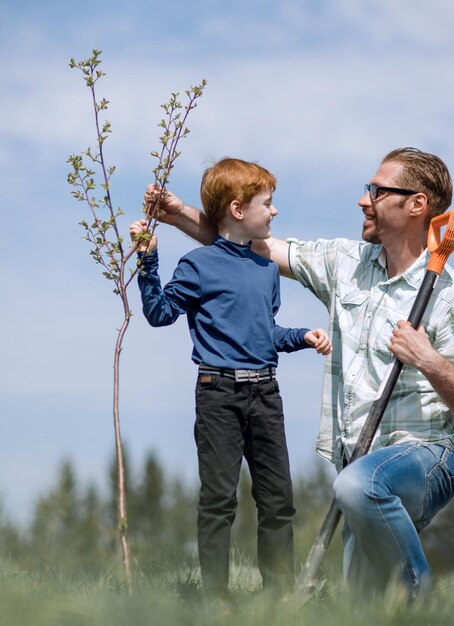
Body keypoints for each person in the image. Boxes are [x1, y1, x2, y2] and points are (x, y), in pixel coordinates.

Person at [148, 147, 454, 600]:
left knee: (358, 484)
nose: (362, 200)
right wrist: (180, 216)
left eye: (376, 190)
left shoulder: (445, 295)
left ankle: (425, 599)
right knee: (367, 604)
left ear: (416, 205)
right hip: (358, 457)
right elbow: (246, 244)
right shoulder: (345, 264)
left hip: (426, 455)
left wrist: (427, 358)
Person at [130, 157, 332, 600]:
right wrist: (149, 260)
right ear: (238, 210)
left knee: (278, 502)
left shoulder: (265, 270)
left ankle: (278, 597)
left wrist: (303, 336)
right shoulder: (198, 265)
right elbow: (160, 313)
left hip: (266, 392)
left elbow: (266, 333)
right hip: (217, 394)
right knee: (219, 502)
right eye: (268, 203)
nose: (274, 212)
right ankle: (216, 600)